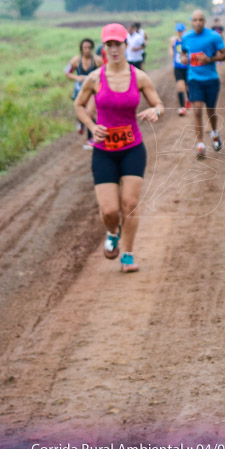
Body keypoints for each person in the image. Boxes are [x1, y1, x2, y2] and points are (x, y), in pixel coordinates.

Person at [74, 23, 164, 273]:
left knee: (130, 204)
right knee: (110, 210)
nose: (114, 49)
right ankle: (112, 232)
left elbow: (159, 104)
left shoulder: (139, 77)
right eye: (109, 45)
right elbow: (79, 106)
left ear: (126, 45)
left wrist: (155, 111)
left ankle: (128, 254)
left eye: (118, 44)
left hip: (132, 149)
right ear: (104, 48)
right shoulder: (95, 78)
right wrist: (92, 126)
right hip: (104, 151)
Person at [180, 9, 225, 157]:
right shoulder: (186, 37)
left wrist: (210, 59)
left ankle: (214, 133)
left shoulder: (214, 37)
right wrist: (183, 58)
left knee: (210, 111)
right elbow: (183, 53)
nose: (198, 23)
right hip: (194, 79)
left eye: (200, 20)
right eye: (195, 20)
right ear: (191, 22)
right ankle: (200, 144)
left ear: (205, 21)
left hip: (211, 79)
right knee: (196, 110)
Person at [66, 37, 102, 147]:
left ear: (92, 48)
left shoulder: (97, 60)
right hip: (79, 89)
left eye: (89, 48)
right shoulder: (75, 60)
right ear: (81, 48)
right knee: (79, 109)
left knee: (90, 112)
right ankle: (81, 122)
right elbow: (67, 72)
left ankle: (92, 137)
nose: (87, 50)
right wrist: (77, 77)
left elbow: (104, 73)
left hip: (92, 90)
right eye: (84, 47)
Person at [170, 22, 190, 116]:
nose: (180, 33)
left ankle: (189, 100)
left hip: (188, 67)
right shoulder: (174, 41)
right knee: (180, 86)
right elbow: (171, 51)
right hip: (178, 67)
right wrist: (171, 50)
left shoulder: (188, 40)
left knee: (187, 86)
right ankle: (182, 107)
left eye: (181, 31)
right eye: (179, 31)